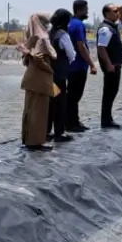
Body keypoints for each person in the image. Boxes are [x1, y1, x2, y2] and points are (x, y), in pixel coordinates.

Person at [19, 12, 56, 151]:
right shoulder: (42, 38)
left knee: (30, 110)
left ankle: (28, 139)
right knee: (38, 111)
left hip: (32, 78)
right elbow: (39, 59)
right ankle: (35, 142)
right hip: (40, 79)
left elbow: (28, 58)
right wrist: (50, 70)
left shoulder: (30, 38)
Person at [65, 0, 97, 132]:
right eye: (86, 9)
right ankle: (71, 124)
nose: (87, 11)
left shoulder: (69, 23)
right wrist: (92, 64)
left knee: (71, 95)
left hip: (69, 66)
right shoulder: (78, 25)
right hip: (78, 66)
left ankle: (73, 121)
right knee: (75, 96)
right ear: (80, 10)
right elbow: (81, 46)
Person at [47, 8, 75, 143]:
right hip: (60, 76)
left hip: (49, 75)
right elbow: (72, 54)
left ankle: (47, 131)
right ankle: (59, 132)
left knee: (50, 103)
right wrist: (65, 64)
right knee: (60, 103)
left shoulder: (49, 33)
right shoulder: (63, 35)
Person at [96, 3, 122, 129]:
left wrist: (121, 10)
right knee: (109, 93)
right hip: (111, 66)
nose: (117, 13)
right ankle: (106, 121)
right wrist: (108, 64)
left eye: (117, 11)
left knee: (113, 92)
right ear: (107, 14)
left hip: (115, 65)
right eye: (114, 11)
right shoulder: (105, 29)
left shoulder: (113, 26)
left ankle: (108, 118)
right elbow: (101, 48)